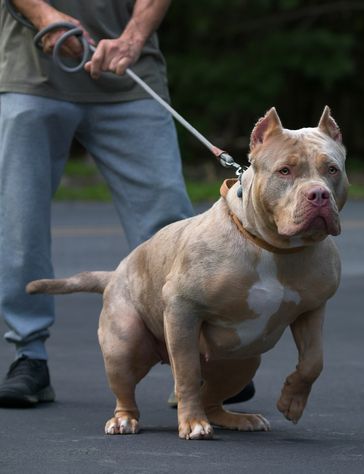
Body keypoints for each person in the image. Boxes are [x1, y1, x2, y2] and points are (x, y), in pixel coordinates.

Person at [0, 0, 254, 409]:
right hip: (32, 75)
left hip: (131, 75)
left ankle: (196, 365)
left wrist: (134, 36)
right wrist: (43, 17)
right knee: (19, 223)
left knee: (170, 223)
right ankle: (29, 355)